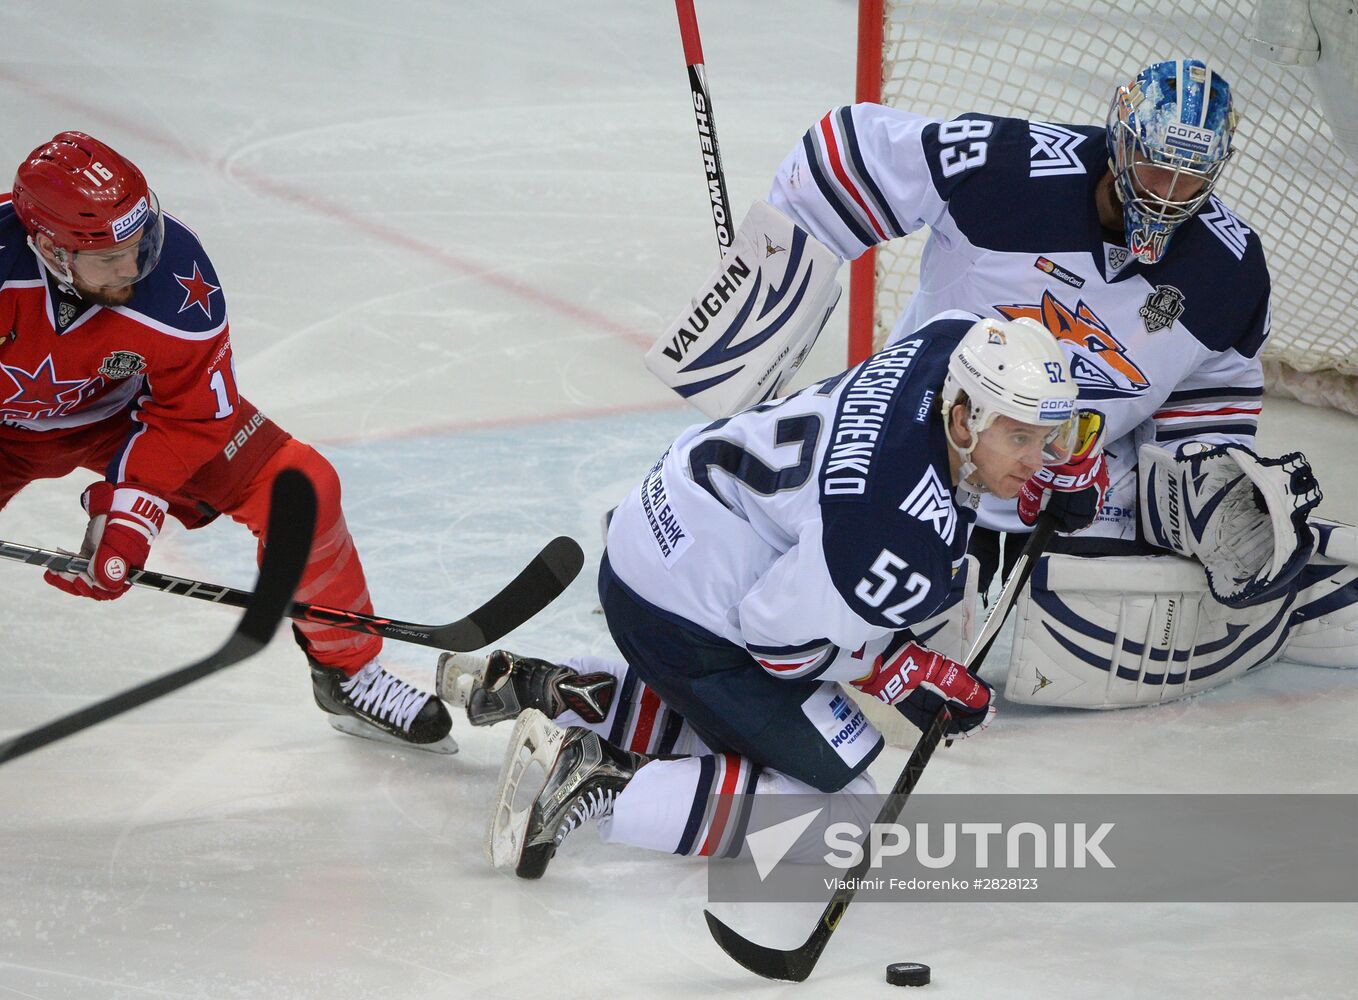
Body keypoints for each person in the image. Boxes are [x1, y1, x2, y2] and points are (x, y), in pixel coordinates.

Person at [456, 313, 1087, 878]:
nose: (1039, 458)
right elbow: (777, 642)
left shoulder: (951, 338)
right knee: (847, 809)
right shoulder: (895, 538)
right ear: (962, 418)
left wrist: (1050, 465)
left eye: (1049, 437)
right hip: (680, 613)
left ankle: (552, 688)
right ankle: (605, 778)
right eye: (1021, 440)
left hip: (652, 529)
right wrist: (896, 668)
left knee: (764, 736)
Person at [0, 131, 452, 751]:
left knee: (304, 489)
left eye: (139, 243)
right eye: (108, 259)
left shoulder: (176, 273)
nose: (133, 269)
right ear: (49, 250)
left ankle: (349, 673)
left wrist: (134, 507)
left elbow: (191, 415)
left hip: (124, 418)